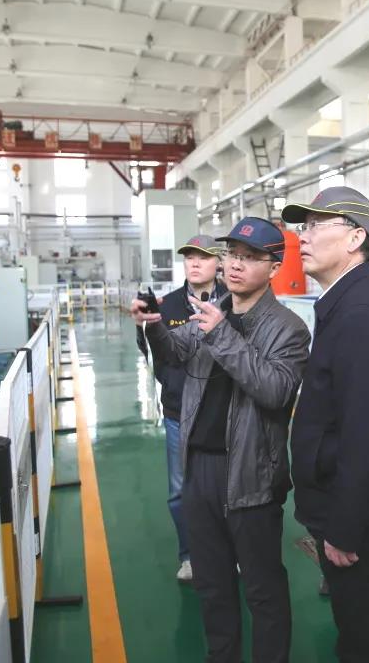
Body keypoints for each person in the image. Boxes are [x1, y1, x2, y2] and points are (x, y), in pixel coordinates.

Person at [132, 217, 311, 663]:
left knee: (262, 589)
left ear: (274, 268)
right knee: (212, 585)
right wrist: (153, 325)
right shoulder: (214, 310)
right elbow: (174, 351)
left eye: (249, 257)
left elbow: (275, 390)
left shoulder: (288, 328)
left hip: (251, 473)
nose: (235, 264)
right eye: (232, 254)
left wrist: (222, 334)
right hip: (200, 468)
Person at [282, 187, 369, 663]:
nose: (303, 237)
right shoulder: (350, 302)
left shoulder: (361, 313)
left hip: (359, 517)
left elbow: (367, 432)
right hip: (354, 506)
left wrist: (344, 527)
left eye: (317, 225)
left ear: (357, 238)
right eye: (303, 227)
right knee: (360, 632)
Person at [134, 234, 226, 581]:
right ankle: (190, 555)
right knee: (180, 489)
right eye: (189, 257)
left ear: (218, 263)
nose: (195, 263)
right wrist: (144, 325)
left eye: (203, 257)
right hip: (178, 412)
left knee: (226, 487)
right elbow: (153, 353)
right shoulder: (168, 305)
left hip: (222, 412)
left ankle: (227, 551)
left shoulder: (232, 302)